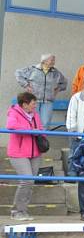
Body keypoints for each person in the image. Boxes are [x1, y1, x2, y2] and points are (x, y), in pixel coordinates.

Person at [6, 92, 44, 221]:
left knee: (30, 182)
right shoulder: (14, 113)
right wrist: (31, 130)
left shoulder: (35, 115)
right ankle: (16, 211)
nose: (35, 106)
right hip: (18, 153)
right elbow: (11, 125)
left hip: (35, 153)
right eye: (33, 104)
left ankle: (23, 210)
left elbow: (41, 128)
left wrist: (40, 134)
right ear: (24, 104)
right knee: (26, 180)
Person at [15, 54, 67, 128]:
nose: (54, 62)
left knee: (45, 123)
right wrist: (26, 85)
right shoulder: (33, 69)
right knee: (33, 122)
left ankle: (41, 138)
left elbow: (64, 82)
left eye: (54, 60)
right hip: (33, 101)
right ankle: (32, 139)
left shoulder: (55, 72)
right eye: (52, 60)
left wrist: (57, 89)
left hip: (48, 101)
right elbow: (18, 73)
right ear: (44, 61)